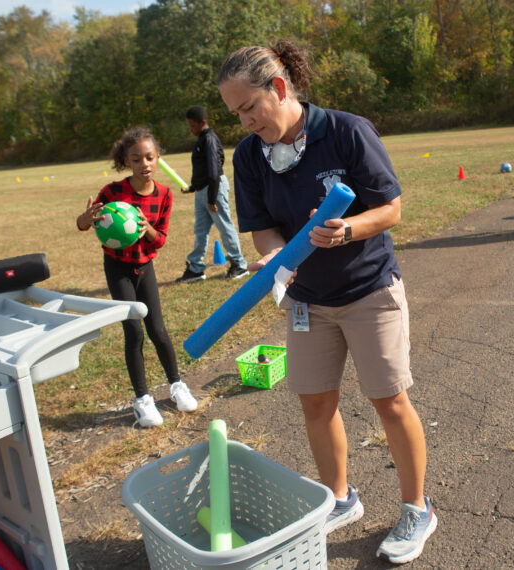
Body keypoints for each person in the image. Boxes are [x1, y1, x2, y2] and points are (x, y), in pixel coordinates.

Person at [218, 40, 435, 565]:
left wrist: (349, 229)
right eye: (235, 113)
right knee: (316, 400)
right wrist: (274, 262)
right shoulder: (248, 156)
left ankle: (417, 508)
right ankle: (340, 498)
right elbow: (265, 231)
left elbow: (392, 209)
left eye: (249, 107)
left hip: (368, 290)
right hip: (307, 301)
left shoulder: (345, 130)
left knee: (389, 400)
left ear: (279, 88)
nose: (245, 122)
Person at [76, 127, 197, 428]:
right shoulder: (112, 192)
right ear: (126, 161)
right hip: (118, 269)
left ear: (157, 159)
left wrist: (147, 229)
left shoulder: (166, 195)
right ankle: (142, 400)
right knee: (134, 332)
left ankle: (177, 385)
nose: (144, 164)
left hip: (145, 268)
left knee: (157, 329)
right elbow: (84, 224)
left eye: (149, 157)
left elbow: (160, 240)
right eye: (136, 158)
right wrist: (85, 219)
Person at [176, 105, 249, 282]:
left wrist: (211, 198)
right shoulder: (201, 140)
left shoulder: (209, 139)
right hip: (202, 191)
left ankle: (239, 264)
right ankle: (196, 268)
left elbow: (213, 170)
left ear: (203, 122)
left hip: (213, 189)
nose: (190, 129)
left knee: (224, 226)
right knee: (200, 230)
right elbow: (201, 169)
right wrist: (193, 188)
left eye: (192, 126)